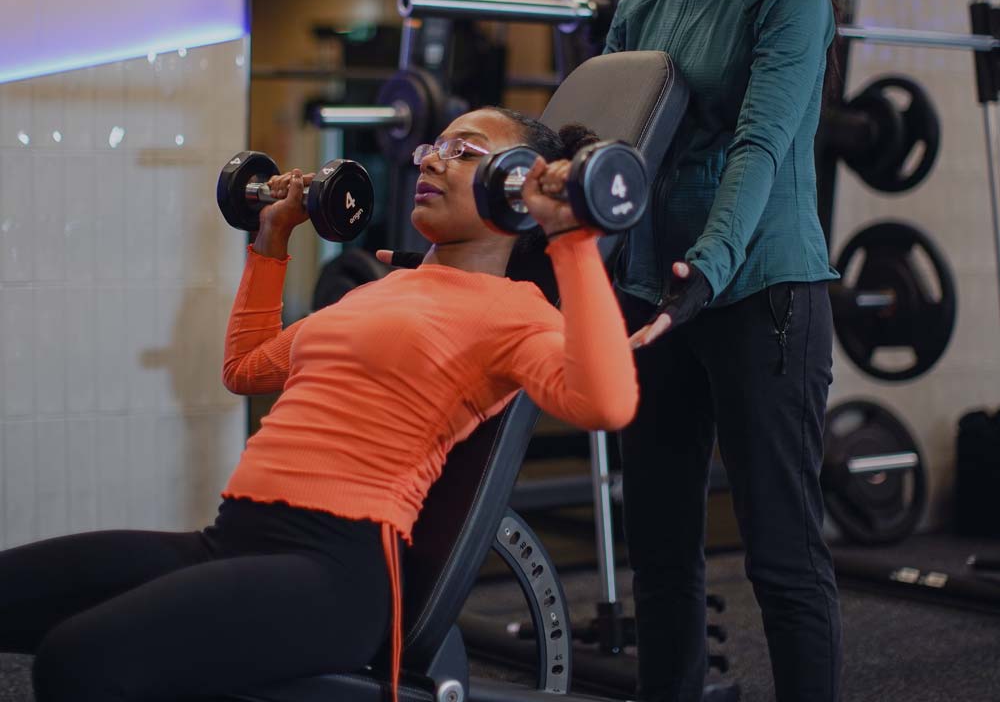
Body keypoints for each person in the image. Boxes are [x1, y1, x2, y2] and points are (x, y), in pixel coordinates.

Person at [0, 108, 638, 702]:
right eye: (434, 147)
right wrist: (272, 238)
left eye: (465, 152)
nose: (432, 161)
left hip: (332, 570)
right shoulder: (383, 291)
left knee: (78, 660)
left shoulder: (518, 312)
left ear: (515, 188)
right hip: (233, 539)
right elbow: (246, 369)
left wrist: (573, 242)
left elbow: (604, 404)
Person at [605, 0, 842, 702]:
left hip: (761, 297)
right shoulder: (644, 3)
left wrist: (702, 272)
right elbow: (608, 155)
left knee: (781, 559)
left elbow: (760, 147)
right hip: (655, 303)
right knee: (660, 555)